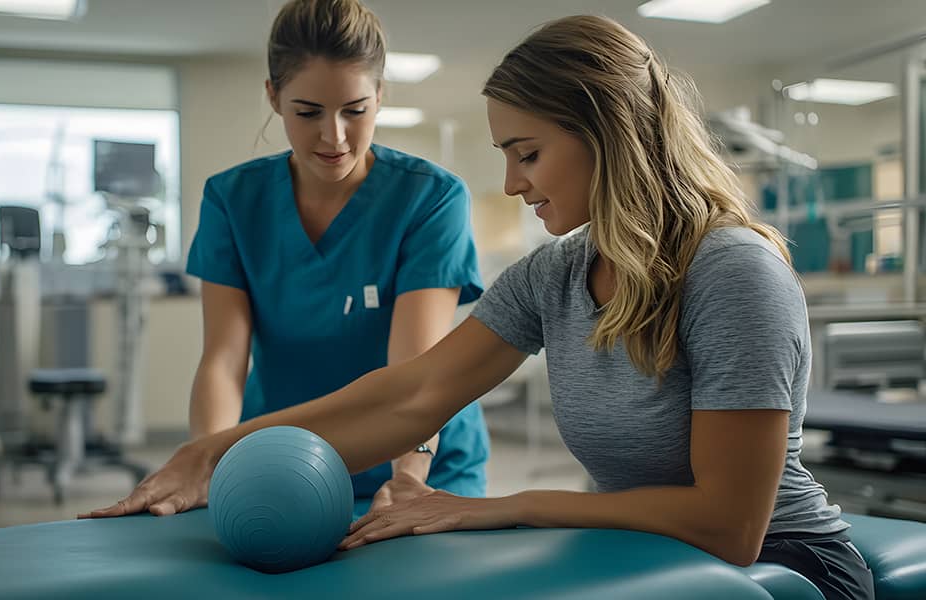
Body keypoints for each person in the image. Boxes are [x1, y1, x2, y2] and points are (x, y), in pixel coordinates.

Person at [82, 14, 873, 600]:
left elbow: (729, 523)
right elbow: (415, 391)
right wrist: (216, 449)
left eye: (528, 154)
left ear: (611, 134)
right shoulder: (555, 275)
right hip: (652, 562)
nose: (511, 184)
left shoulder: (732, 271)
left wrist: (502, 508)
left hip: (784, 566)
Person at [167, 0, 489, 515]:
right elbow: (225, 360)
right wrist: (210, 465)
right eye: (308, 112)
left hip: (423, 461)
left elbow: (414, 370)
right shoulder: (232, 200)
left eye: (355, 111)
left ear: (380, 96)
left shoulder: (431, 199)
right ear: (273, 97)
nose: (334, 136)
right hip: (283, 457)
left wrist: (407, 477)